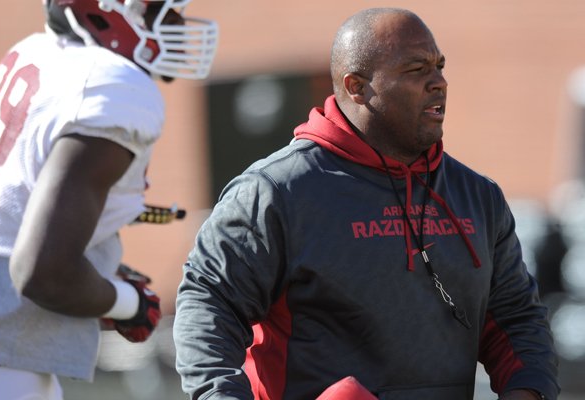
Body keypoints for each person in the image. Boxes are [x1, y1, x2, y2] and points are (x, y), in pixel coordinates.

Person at [173, 7, 559, 400]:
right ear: (357, 87)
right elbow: (208, 305)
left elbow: (517, 320)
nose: (439, 82)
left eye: (439, 66)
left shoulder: (478, 196)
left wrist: (527, 391)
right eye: (416, 69)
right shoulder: (277, 191)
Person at [0, 0, 217, 398]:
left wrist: (96, 277)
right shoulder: (113, 84)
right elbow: (43, 271)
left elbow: (11, 220)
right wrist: (129, 302)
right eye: (160, 11)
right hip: (1, 362)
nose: (177, 23)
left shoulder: (38, 52)